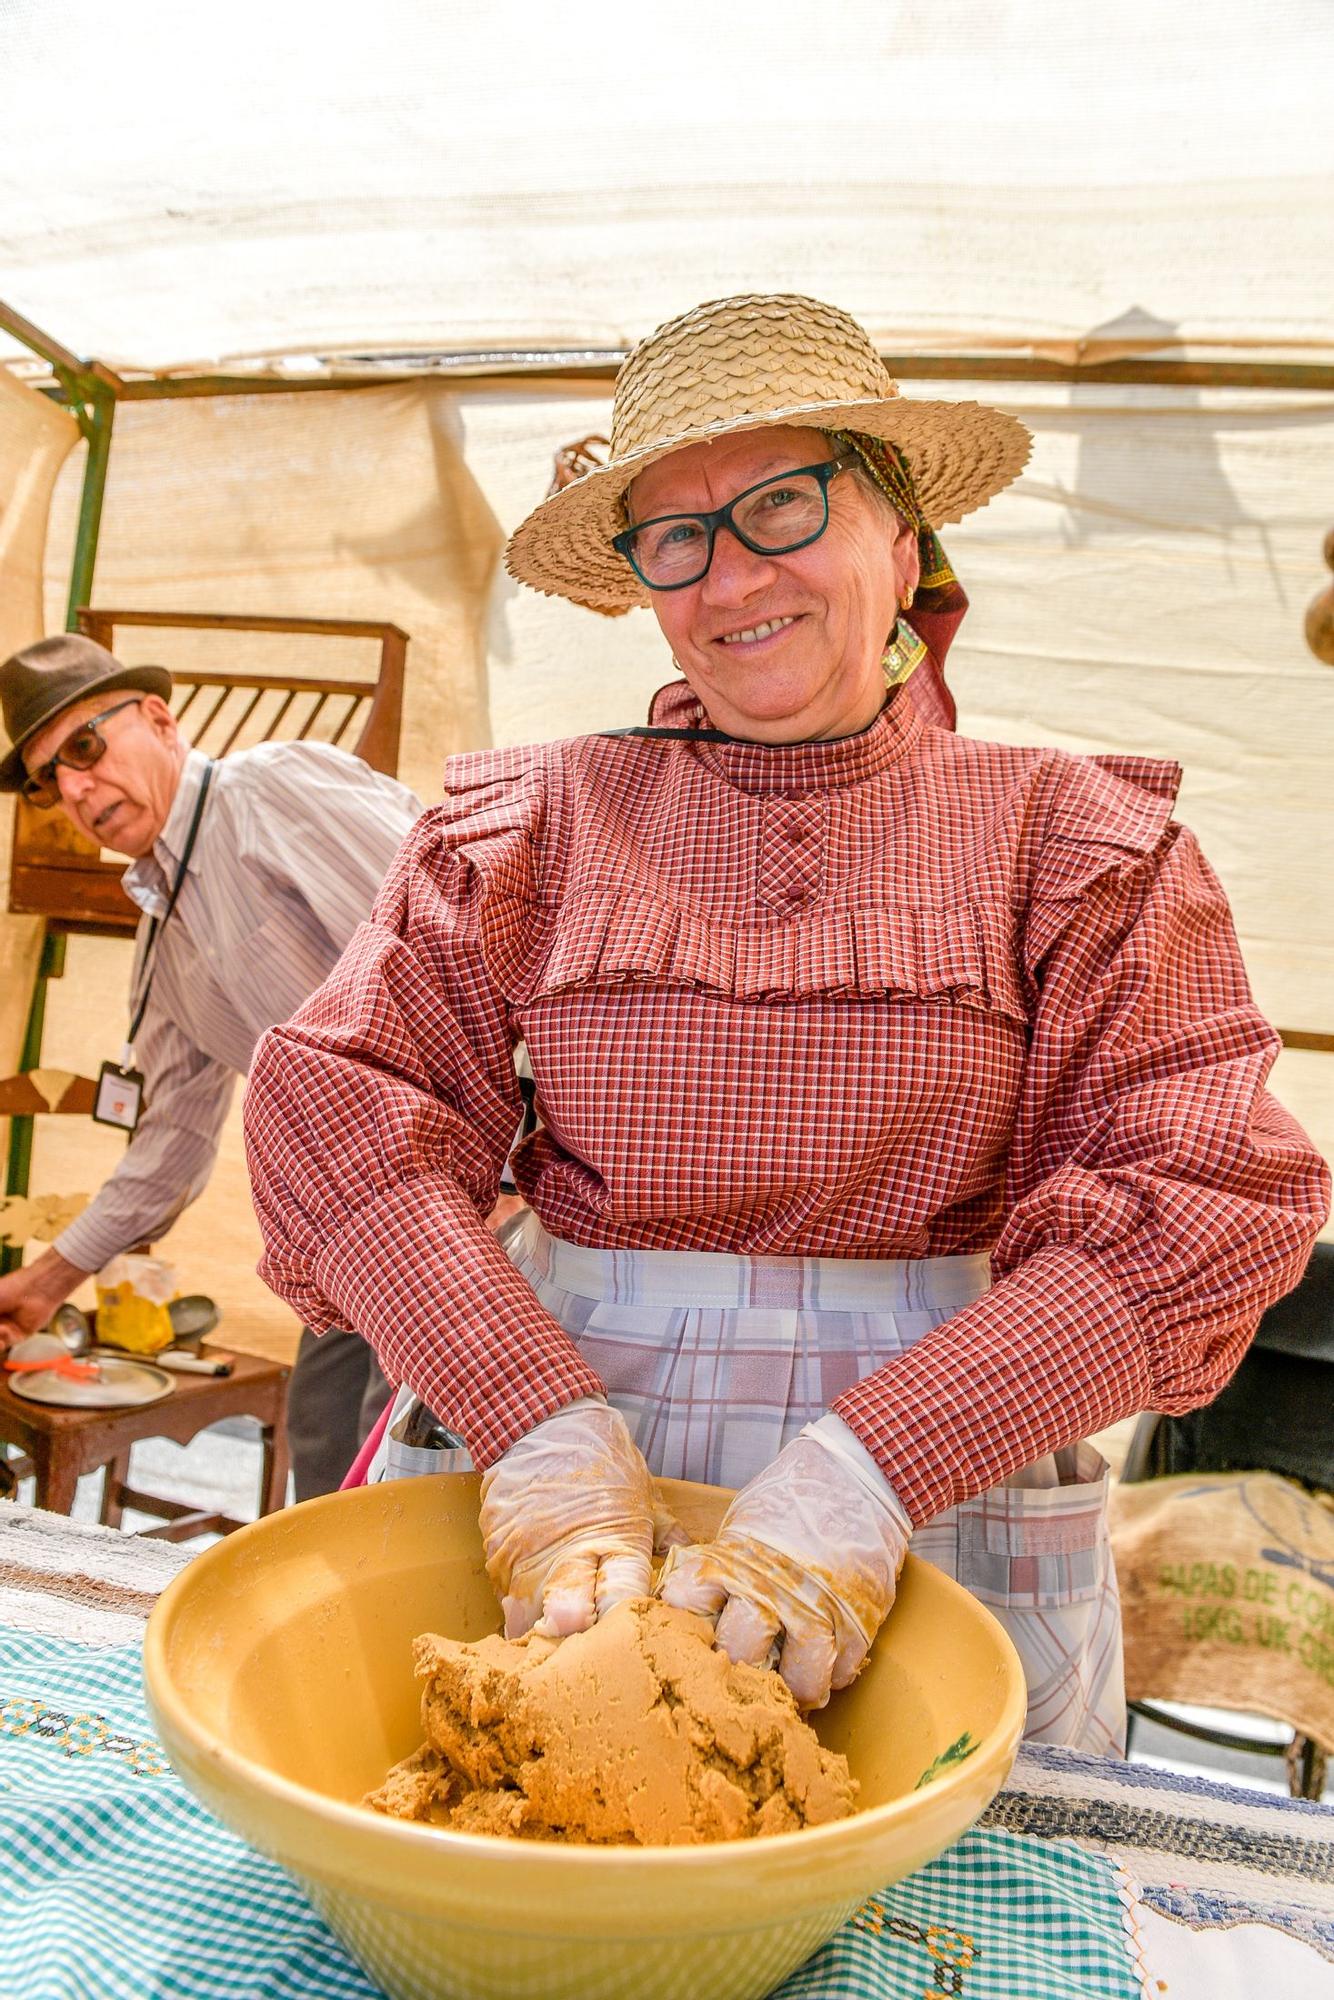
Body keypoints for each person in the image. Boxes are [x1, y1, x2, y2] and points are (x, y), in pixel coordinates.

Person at [242, 293, 1329, 1751]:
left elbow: (1197, 1197)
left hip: (943, 1466)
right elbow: (342, 1118)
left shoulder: (1070, 839)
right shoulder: (528, 823)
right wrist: (533, 1424)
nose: (727, 574)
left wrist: (873, 1471)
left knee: (930, 1930)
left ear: (900, 537)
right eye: (674, 537)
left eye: (781, 504)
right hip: (559, 1460)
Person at [0, 634, 424, 1497]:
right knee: (322, 1447)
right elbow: (168, 1149)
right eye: (50, 779)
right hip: (347, 1229)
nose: (74, 789)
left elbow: (456, 928)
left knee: (401, 1472)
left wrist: (514, 1155)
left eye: (84, 746)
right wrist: (47, 1282)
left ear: (159, 720)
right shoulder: (163, 940)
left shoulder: (269, 789)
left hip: (459, 1195)